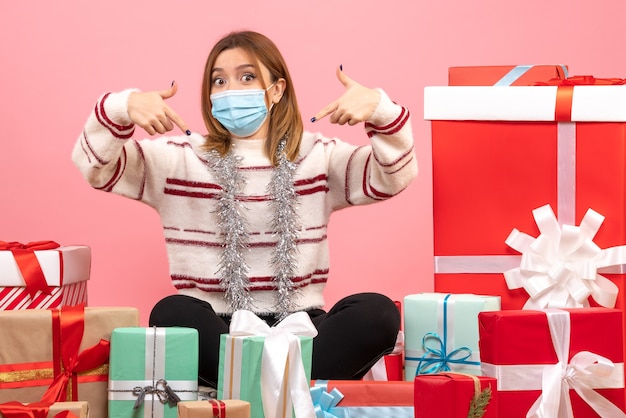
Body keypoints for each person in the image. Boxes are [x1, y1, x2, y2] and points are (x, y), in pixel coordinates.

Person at [72, 30, 417, 388]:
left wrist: (380, 109)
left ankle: (250, 393)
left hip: (304, 327)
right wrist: (120, 108)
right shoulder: (178, 159)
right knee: (171, 312)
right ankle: (289, 393)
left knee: (377, 312)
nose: (231, 90)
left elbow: (392, 177)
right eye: (218, 80)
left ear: (278, 90)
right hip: (218, 328)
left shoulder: (318, 155)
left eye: (247, 76)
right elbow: (95, 167)